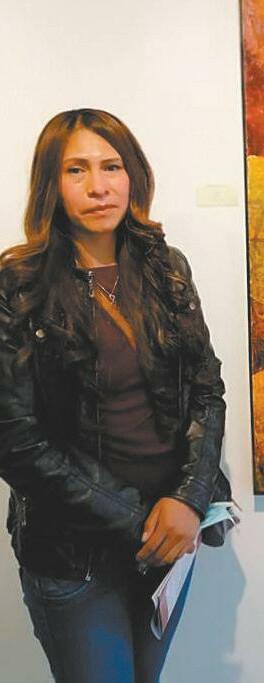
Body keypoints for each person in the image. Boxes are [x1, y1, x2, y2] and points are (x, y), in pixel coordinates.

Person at [0, 108, 230, 682]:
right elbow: (15, 439)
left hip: (170, 538)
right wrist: (143, 520)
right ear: (50, 184)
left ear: (134, 176)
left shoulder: (165, 268)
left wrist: (188, 500)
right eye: (76, 170)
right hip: (75, 552)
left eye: (112, 166)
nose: (99, 186)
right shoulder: (18, 283)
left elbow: (207, 391)